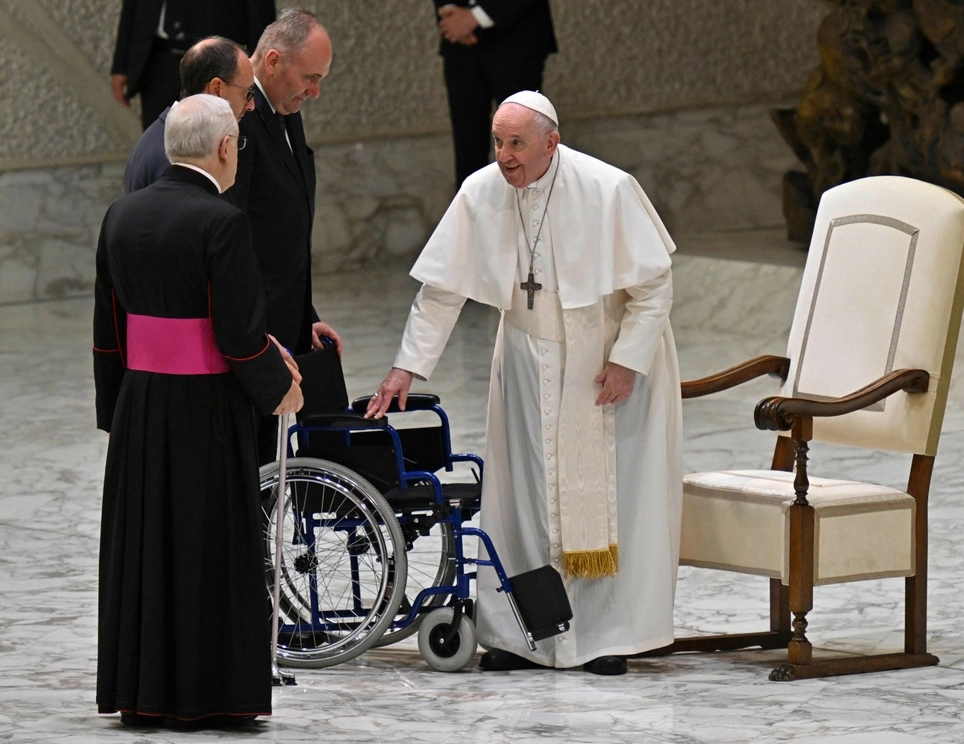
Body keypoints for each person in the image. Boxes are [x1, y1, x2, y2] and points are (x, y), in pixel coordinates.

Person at [367, 92, 683, 676]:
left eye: (516, 144)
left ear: (551, 143)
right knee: (525, 498)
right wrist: (406, 367)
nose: (504, 157)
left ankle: (601, 636)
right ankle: (523, 636)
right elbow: (441, 291)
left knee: (606, 500)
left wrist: (626, 359)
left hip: (602, 358)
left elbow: (655, 287)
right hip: (523, 355)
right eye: (498, 142)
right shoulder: (482, 190)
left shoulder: (608, 189)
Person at [93, 94, 303, 726]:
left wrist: (119, 411)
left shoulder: (120, 214)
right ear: (222, 147)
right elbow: (238, 335)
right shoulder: (221, 222)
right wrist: (279, 387)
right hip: (204, 411)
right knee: (206, 545)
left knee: (146, 546)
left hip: (140, 404)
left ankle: (141, 690)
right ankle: (208, 695)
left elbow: (107, 331)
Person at [227, 8, 342, 462]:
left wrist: (304, 317)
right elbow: (237, 236)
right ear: (272, 61)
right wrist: (258, 331)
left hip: (284, 323)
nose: (315, 91)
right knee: (256, 462)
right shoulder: (241, 120)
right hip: (255, 336)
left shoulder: (283, 108)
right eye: (310, 77)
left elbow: (285, 233)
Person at [433, 0, 557, 190]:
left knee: (523, 143)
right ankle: (473, 218)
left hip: (517, 35)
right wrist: (451, 15)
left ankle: (530, 217)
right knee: (467, 147)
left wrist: (476, 17)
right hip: (459, 46)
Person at [111, 0, 276, 130]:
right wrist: (121, 64)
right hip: (158, 60)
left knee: (214, 140)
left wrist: (260, 67)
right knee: (159, 145)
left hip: (216, 62)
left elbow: (260, 11)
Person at [123, 36, 257, 193]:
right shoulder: (177, 154)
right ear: (217, 88)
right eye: (247, 93)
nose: (251, 105)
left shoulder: (170, 139)